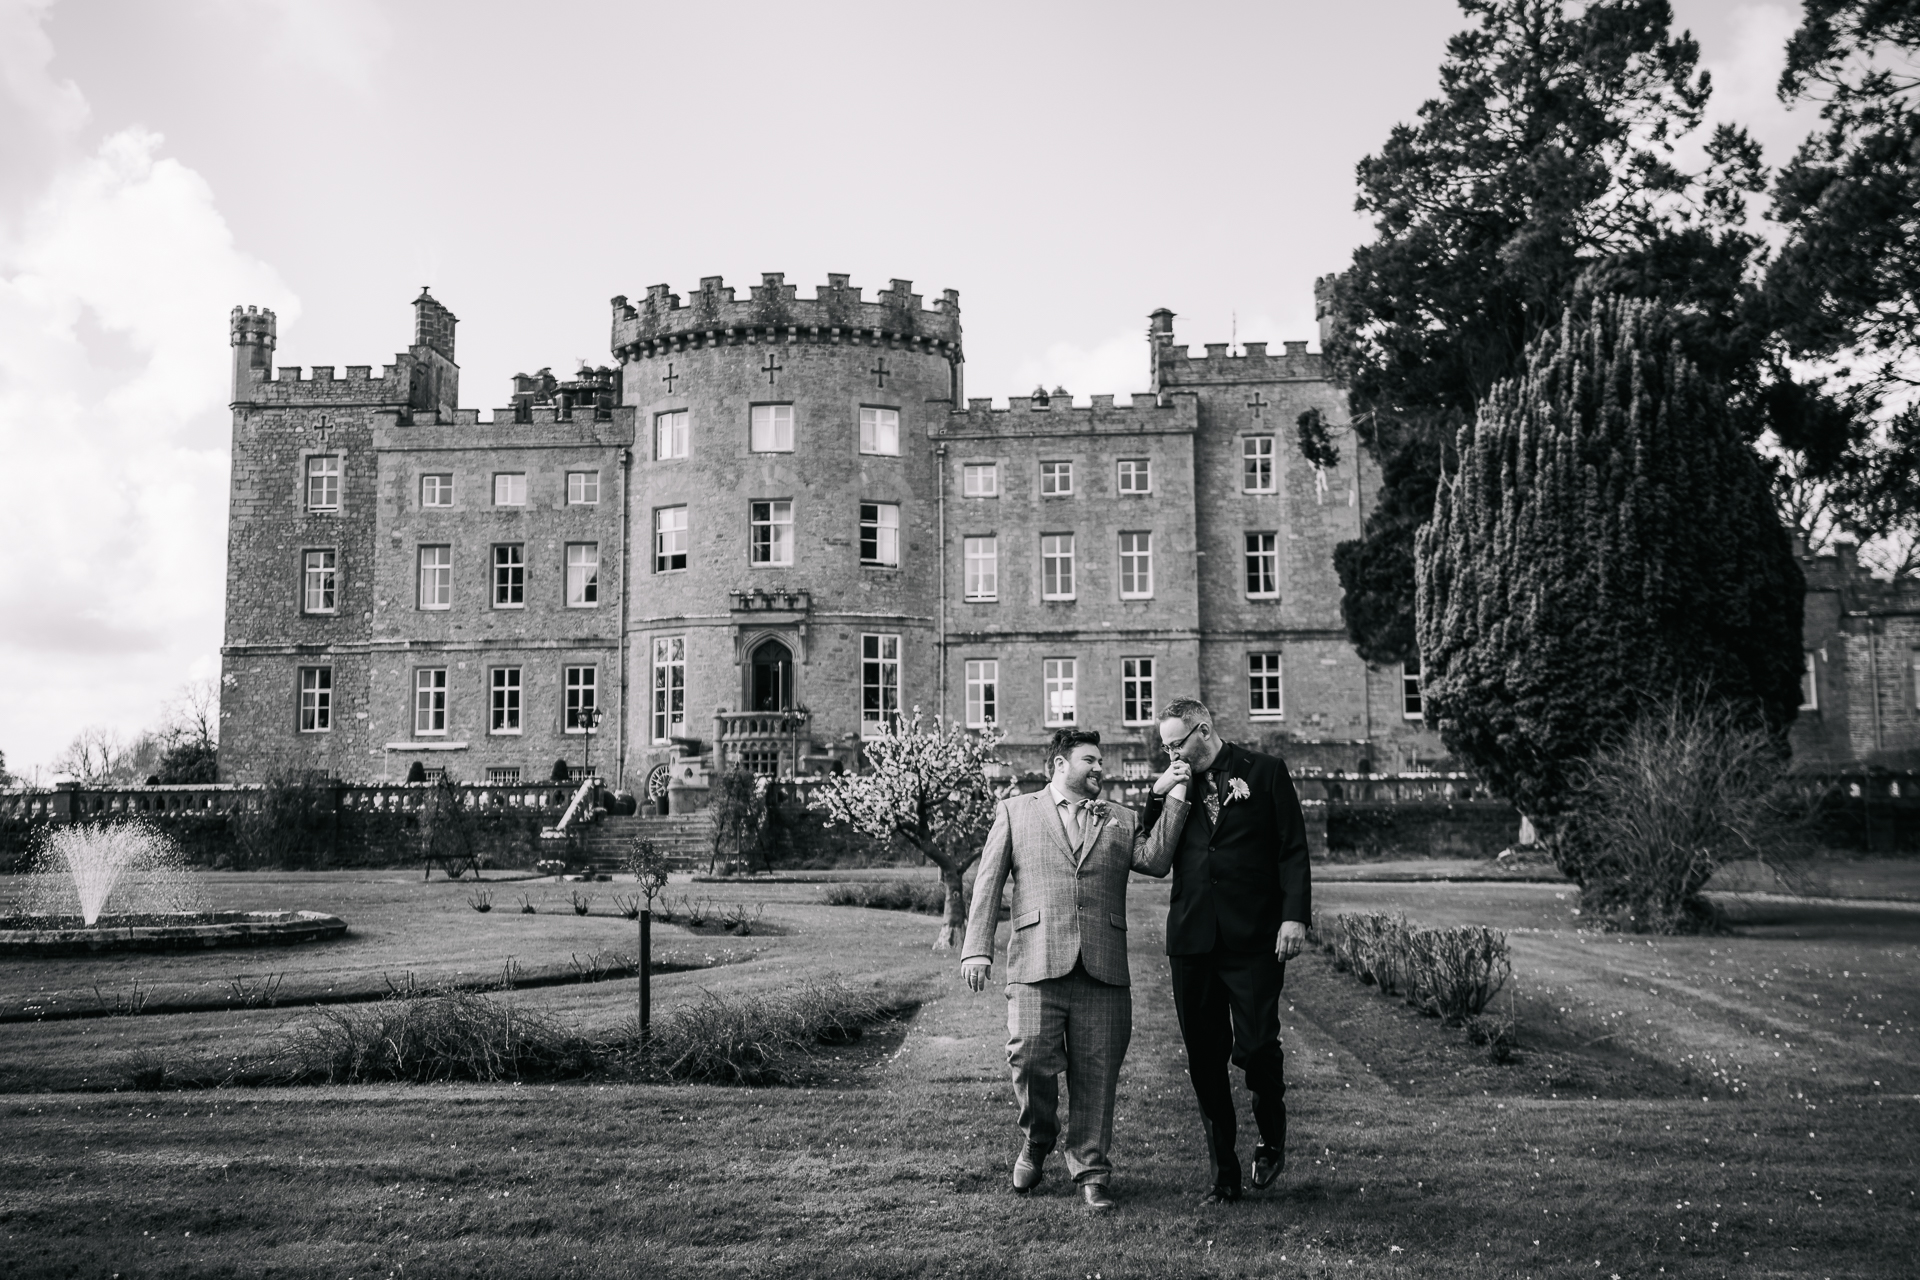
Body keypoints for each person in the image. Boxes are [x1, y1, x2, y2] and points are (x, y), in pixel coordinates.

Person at [960, 727, 1184, 1211]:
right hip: (1036, 960)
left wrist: (1175, 793)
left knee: (1098, 1074)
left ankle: (1091, 1171)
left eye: (1100, 760)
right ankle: (1038, 1138)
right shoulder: (1016, 812)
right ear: (1059, 764)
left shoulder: (1121, 818)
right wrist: (977, 948)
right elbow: (987, 882)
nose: (1099, 767)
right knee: (1029, 1056)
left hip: (1103, 966)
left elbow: (1157, 859)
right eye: (1089, 759)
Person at [1139, 696, 1312, 1203]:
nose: (1170, 752)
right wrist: (1158, 792)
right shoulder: (1175, 782)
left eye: (1176, 743)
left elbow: (1292, 848)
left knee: (1258, 1046)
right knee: (1204, 1058)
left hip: (1255, 938)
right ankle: (1224, 1173)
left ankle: (1271, 1139)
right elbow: (1151, 849)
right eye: (1164, 744)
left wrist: (1294, 915)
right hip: (1192, 939)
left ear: (1204, 730)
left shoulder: (1265, 772)